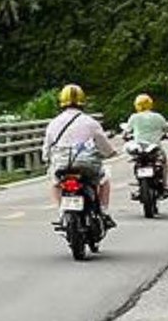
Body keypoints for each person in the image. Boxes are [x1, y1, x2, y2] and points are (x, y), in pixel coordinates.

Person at [43, 83, 116, 226]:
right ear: (83, 101)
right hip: (87, 165)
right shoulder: (91, 122)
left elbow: (47, 146)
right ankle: (103, 211)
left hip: (62, 164)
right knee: (105, 179)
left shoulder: (54, 123)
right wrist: (110, 153)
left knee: (55, 183)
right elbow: (103, 144)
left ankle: (62, 212)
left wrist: (46, 158)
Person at [121, 92, 168, 193]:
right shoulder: (158, 116)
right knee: (164, 163)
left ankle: (139, 181)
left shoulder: (134, 117)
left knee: (137, 161)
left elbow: (126, 132)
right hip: (155, 147)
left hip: (139, 148)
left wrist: (125, 136)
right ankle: (165, 185)